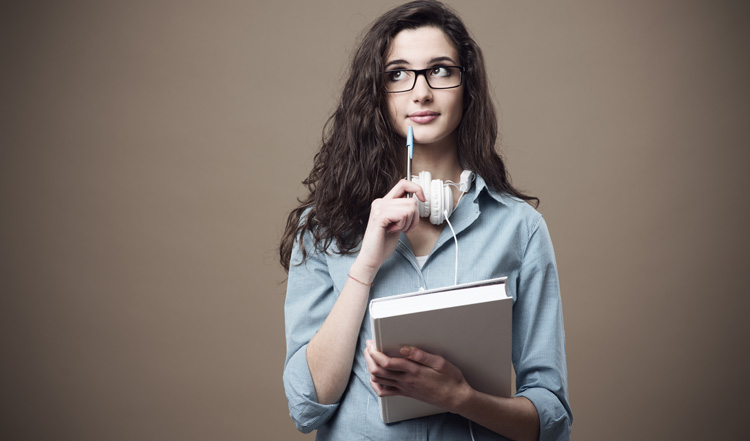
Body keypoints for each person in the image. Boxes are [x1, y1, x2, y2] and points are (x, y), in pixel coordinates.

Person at [279, 1, 572, 439]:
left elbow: (551, 419)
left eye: (440, 70)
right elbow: (306, 407)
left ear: (465, 85)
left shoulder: (520, 228)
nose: (421, 92)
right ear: (375, 91)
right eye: (397, 73)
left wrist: (461, 398)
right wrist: (364, 268)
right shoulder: (321, 227)